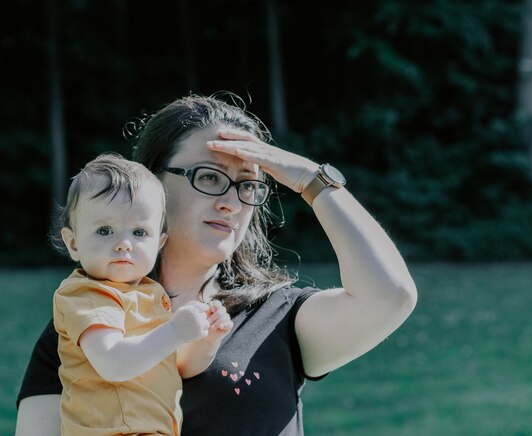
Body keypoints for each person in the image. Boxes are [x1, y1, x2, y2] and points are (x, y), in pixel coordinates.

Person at [15, 93, 418, 436]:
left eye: (248, 184)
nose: (231, 201)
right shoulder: (84, 321)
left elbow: (392, 295)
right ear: (152, 184)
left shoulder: (278, 318)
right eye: (209, 177)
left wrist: (312, 180)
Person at [48, 153, 233, 435]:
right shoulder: (85, 294)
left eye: (139, 232)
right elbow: (114, 364)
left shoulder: (149, 293)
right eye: (105, 230)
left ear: (159, 243)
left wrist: (205, 340)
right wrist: (176, 331)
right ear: (73, 243)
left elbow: (177, 366)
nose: (124, 244)